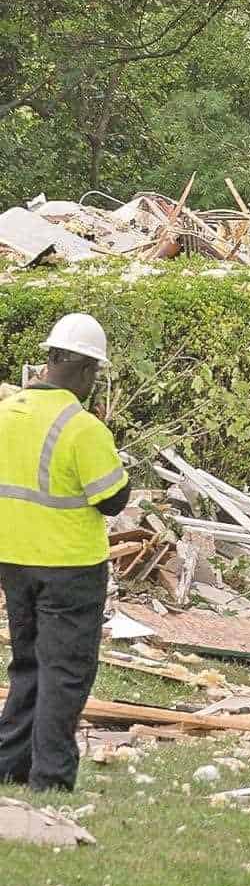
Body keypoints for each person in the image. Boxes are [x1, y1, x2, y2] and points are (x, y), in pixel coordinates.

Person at [0, 314, 129, 791]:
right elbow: (112, 499)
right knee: (66, 671)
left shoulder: (6, 413)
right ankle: (51, 777)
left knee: (28, 664)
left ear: (50, 358)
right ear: (86, 369)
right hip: (70, 567)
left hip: (14, 560)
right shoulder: (82, 428)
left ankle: (9, 765)